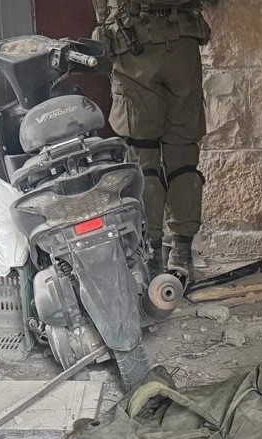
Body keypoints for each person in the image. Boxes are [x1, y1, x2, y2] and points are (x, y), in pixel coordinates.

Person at [91, 0, 212, 279]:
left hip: (133, 45)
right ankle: (182, 250)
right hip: (182, 43)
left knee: (143, 158)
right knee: (183, 155)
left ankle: (151, 254)